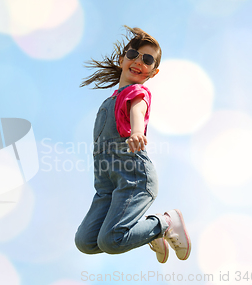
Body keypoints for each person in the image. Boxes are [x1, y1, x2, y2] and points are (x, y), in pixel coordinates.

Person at [74, 26, 191, 263]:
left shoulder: (137, 92)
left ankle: (164, 223)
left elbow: (139, 109)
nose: (138, 61)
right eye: (133, 55)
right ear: (122, 59)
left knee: (111, 241)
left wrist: (137, 131)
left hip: (134, 179)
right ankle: (146, 232)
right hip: (107, 187)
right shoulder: (110, 100)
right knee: (85, 241)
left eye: (147, 60)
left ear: (153, 72)